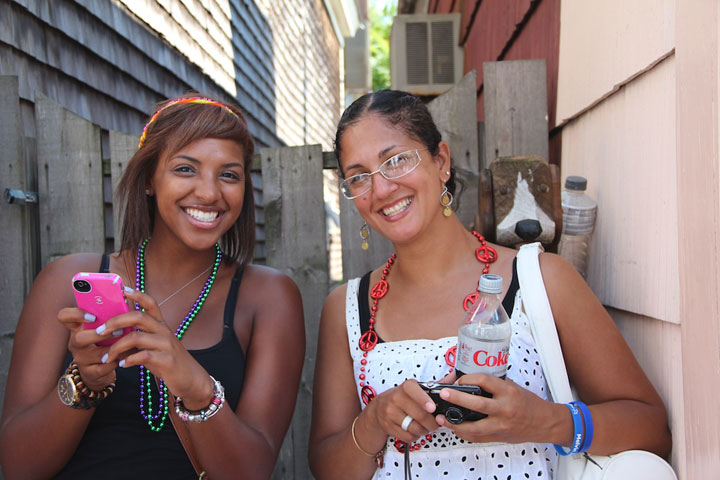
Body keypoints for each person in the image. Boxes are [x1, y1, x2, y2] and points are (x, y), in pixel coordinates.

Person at [308, 89, 671, 479]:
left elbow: (650, 427)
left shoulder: (540, 280)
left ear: (441, 161)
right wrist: (374, 421)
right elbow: (329, 469)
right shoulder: (347, 308)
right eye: (359, 177)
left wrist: (547, 421)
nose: (380, 189)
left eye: (396, 160)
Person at [0, 95, 305, 479]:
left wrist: (195, 386)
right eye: (185, 169)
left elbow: (251, 472)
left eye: (229, 174)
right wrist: (85, 381)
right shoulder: (66, 281)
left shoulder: (268, 296)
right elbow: (17, 467)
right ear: (148, 179)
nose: (210, 193)